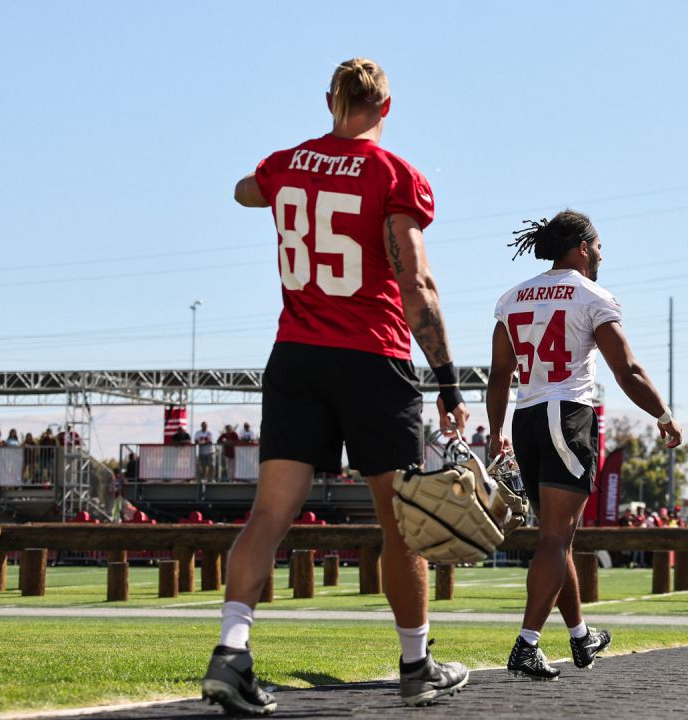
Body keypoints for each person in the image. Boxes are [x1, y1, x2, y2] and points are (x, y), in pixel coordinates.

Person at [201, 58, 470, 713]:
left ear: (329, 100)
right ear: (387, 107)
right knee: (398, 526)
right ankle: (416, 664)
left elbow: (244, 190)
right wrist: (447, 380)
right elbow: (418, 284)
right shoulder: (394, 174)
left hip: (296, 355)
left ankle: (231, 652)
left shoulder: (285, 164)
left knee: (269, 515)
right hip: (370, 359)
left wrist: (274, 181)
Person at [486, 209, 683, 681]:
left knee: (559, 538)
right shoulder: (591, 295)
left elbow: (498, 376)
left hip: (527, 417)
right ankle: (527, 644)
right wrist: (663, 415)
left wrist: (495, 433)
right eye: (597, 247)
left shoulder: (511, 297)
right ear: (581, 247)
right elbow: (627, 370)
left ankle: (580, 636)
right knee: (555, 538)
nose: (599, 256)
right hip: (567, 414)